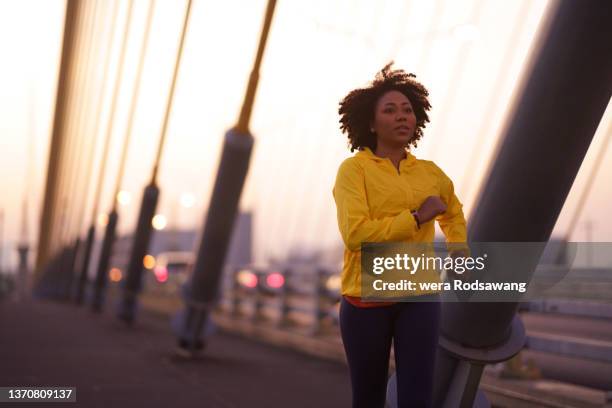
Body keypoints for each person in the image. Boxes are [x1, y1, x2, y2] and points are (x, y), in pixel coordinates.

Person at [333, 63, 468, 407]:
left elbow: (452, 211)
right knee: (368, 396)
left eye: (408, 110)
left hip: (420, 296)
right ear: (371, 122)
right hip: (366, 298)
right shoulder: (354, 170)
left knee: (417, 397)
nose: (402, 117)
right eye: (390, 110)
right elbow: (356, 234)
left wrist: (459, 249)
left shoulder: (430, 173)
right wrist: (415, 217)